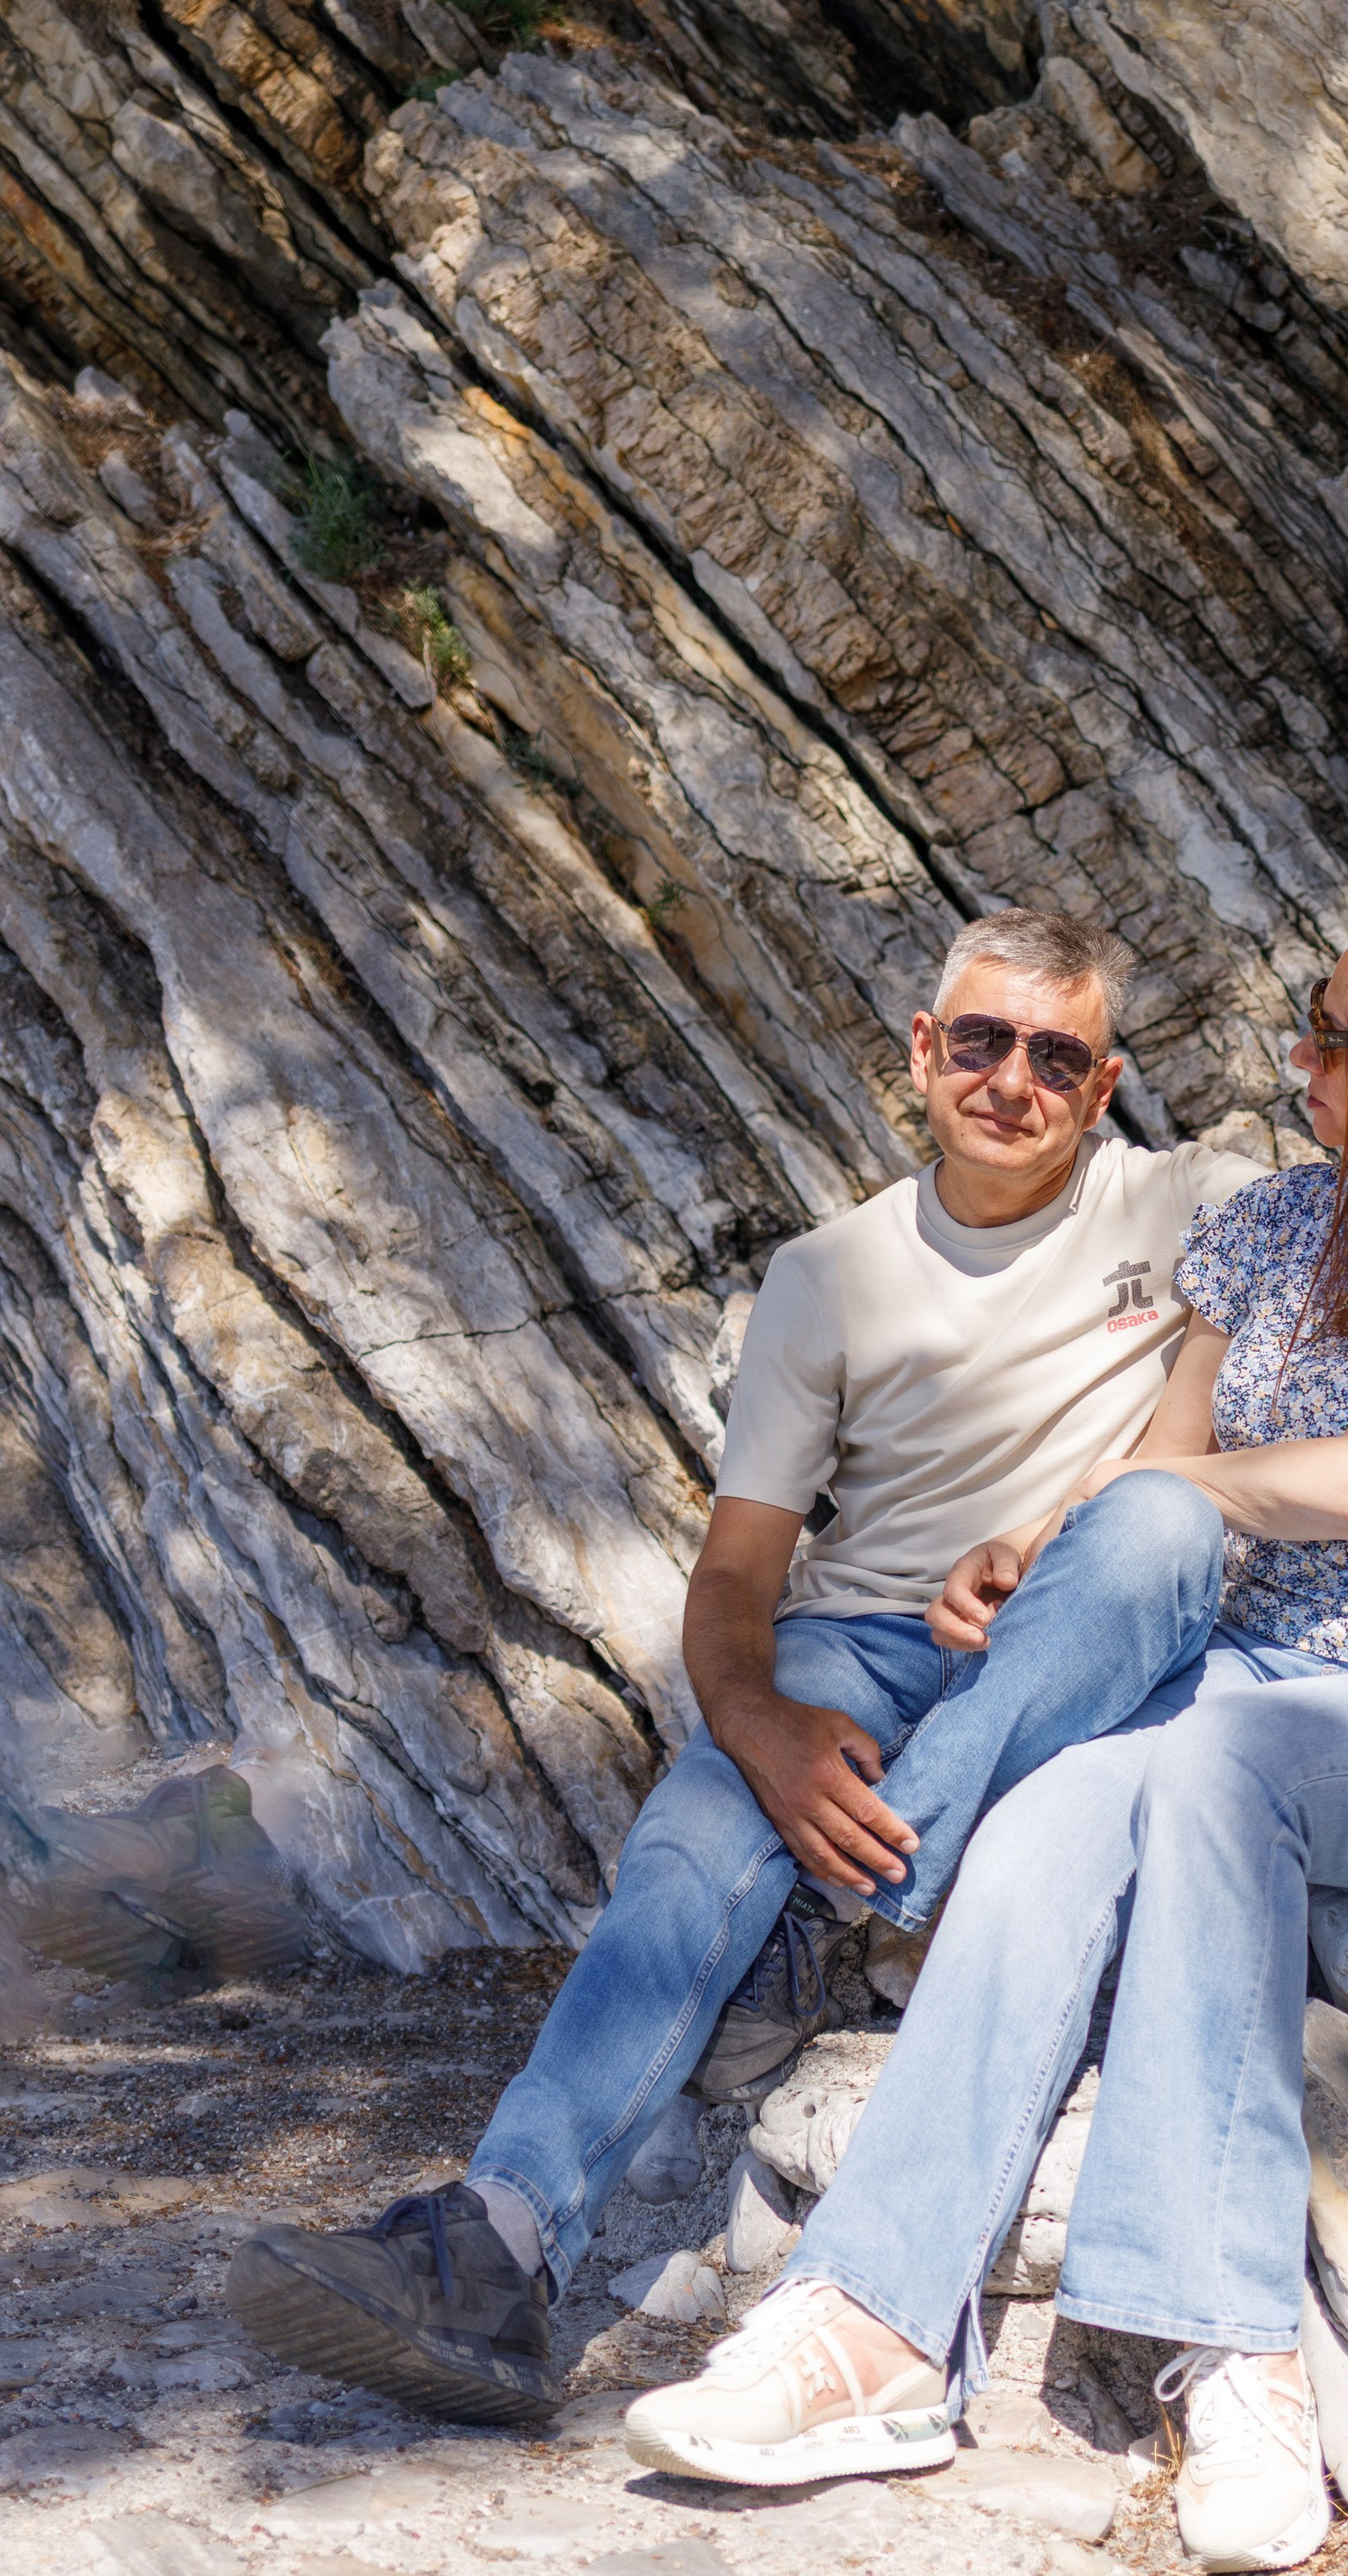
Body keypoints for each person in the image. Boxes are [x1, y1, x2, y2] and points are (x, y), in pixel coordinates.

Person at [623, 898, 1348, 2576]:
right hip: (1250, 1667)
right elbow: (1170, 1466)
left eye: (1328, 1040)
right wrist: (1047, 1545)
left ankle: (1228, 2341)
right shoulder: (1265, 1233)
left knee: (1214, 1770)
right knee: (1066, 1805)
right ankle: (871, 2329)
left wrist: (1156, 1495)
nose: (1299, 1064)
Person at [226, 909, 1256, 2422]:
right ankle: (496, 2242)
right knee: (702, 1829)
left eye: (1056, 1056)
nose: (1012, 1081)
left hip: (1088, 1636)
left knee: (1164, 1534)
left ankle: (837, 1910)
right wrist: (761, 1729)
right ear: (922, 1051)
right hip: (871, 1644)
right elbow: (737, 1577)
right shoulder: (829, 1275)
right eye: (980, 1041)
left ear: (1102, 1087)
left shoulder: (1196, 1205)